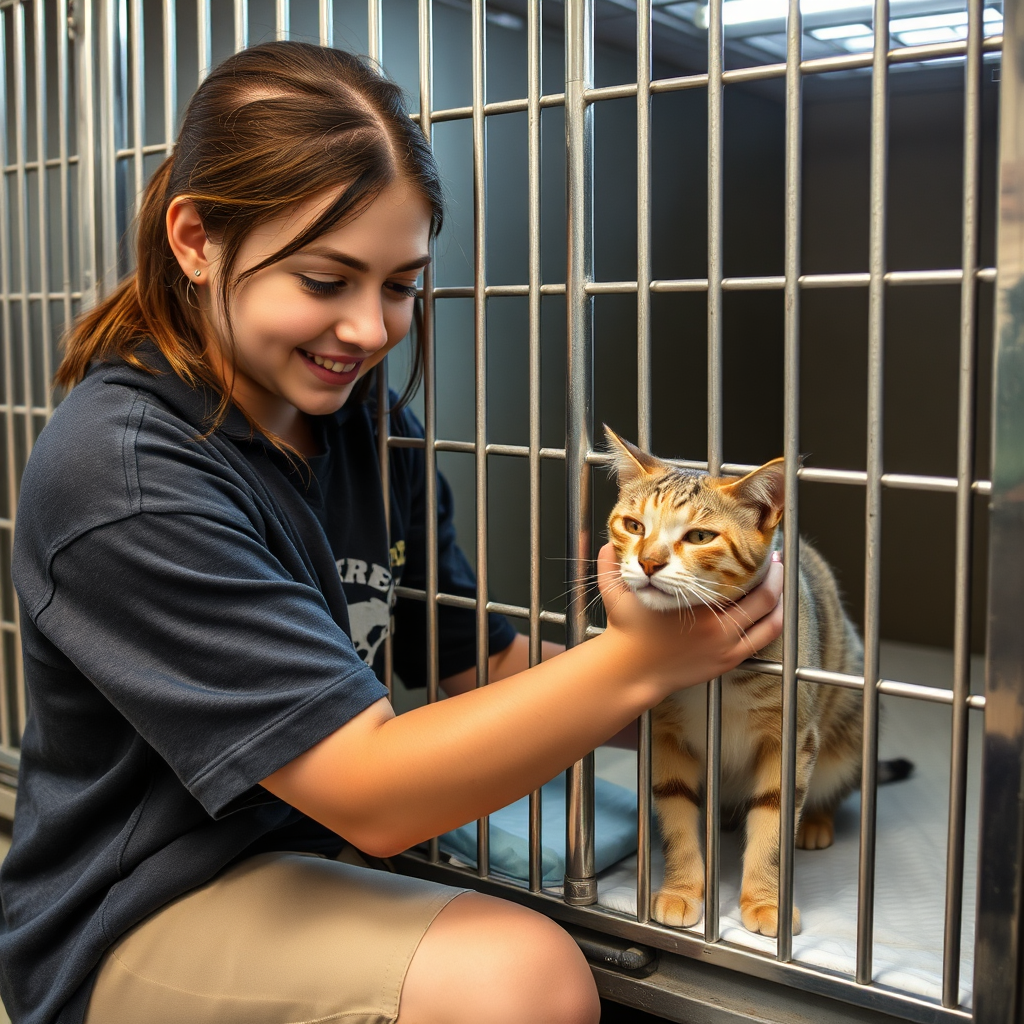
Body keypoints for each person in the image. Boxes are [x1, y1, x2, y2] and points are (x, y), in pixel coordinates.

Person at [0, 40, 784, 1024]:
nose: (371, 331)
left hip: (303, 856)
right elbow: (370, 791)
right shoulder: (123, 475)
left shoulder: (368, 424)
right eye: (326, 281)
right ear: (195, 240)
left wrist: (733, 683)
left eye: (401, 284)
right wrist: (639, 661)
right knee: (521, 977)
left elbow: (481, 664)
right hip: (140, 910)